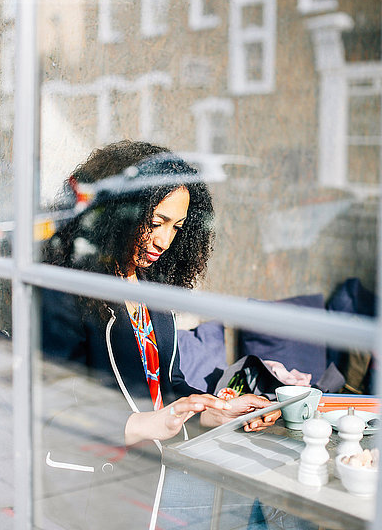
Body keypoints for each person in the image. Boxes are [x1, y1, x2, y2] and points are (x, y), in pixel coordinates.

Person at [40, 140, 313, 530]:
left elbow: (168, 386)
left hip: (158, 463)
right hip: (100, 477)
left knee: (285, 489)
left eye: (176, 227)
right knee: (253, 503)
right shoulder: (64, 289)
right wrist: (141, 425)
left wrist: (213, 412)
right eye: (155, 223)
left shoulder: (151, 287)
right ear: (116, 214)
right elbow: (46, 406)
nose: (164, 242)